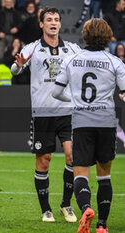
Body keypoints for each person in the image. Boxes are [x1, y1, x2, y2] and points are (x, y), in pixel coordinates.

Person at [53, 18, 125, 233]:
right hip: (106, 123)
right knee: (104, 177)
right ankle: (102, 226)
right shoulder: (115, 62)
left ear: (85, 36)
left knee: (80, 174)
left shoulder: (72, 60)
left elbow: (56, 92)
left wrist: (75, 100)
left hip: (82, 123)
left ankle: (85, 209)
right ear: (107, 36)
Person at [11, 7, 80, 223]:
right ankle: (46, 210)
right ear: (41, 24)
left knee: (72, 156)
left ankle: (66, 205)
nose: (53, 23)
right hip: (42, 114)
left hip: (68, 112)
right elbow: (15, 69)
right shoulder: (31, 48)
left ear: (60, 24)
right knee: (44, 161)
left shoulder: (72, 49)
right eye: (48, 20)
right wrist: (18, 66)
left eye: (56, 20)